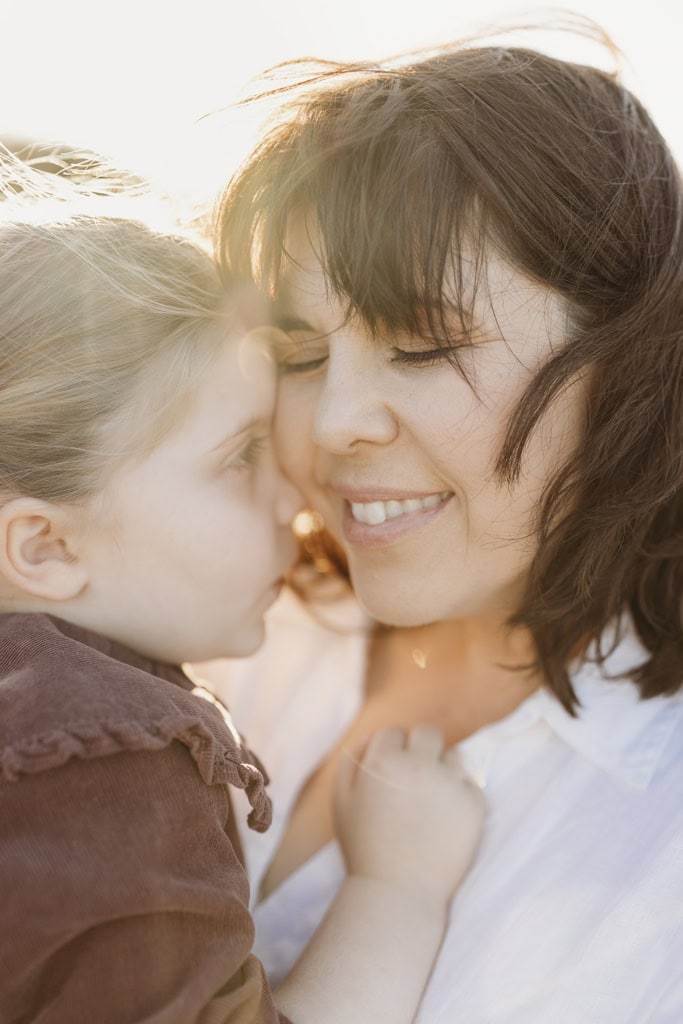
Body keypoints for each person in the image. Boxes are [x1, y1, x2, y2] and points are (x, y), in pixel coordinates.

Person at [207, 28, 683, 1023]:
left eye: (419, 344)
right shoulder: (220, 632)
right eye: (299, 352)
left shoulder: (654, 828)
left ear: (629, 362)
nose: (333, 422)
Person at [0, 170, 484, 1024]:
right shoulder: (103, 763)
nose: (296, 500)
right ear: (48, 546)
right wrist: (395, 887)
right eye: (239, 456)